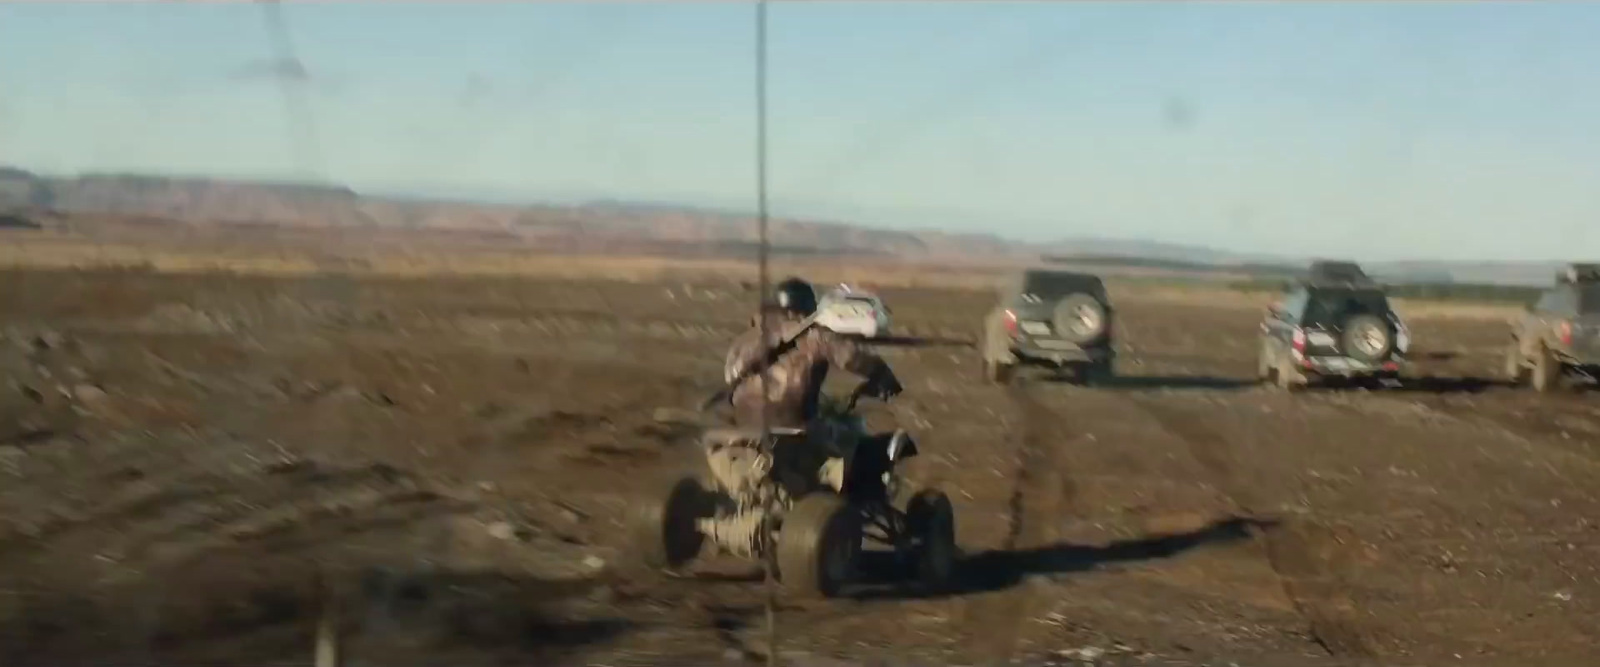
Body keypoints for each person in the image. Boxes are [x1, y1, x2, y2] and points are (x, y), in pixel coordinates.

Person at [722, 276, 902, 430]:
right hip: (792, 421)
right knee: (848, 435)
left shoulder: (744, 339)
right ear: (806, 309)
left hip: (746, 424)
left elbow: (731, 379)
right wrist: (882, 374)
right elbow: (850, 356)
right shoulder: (813, 334)